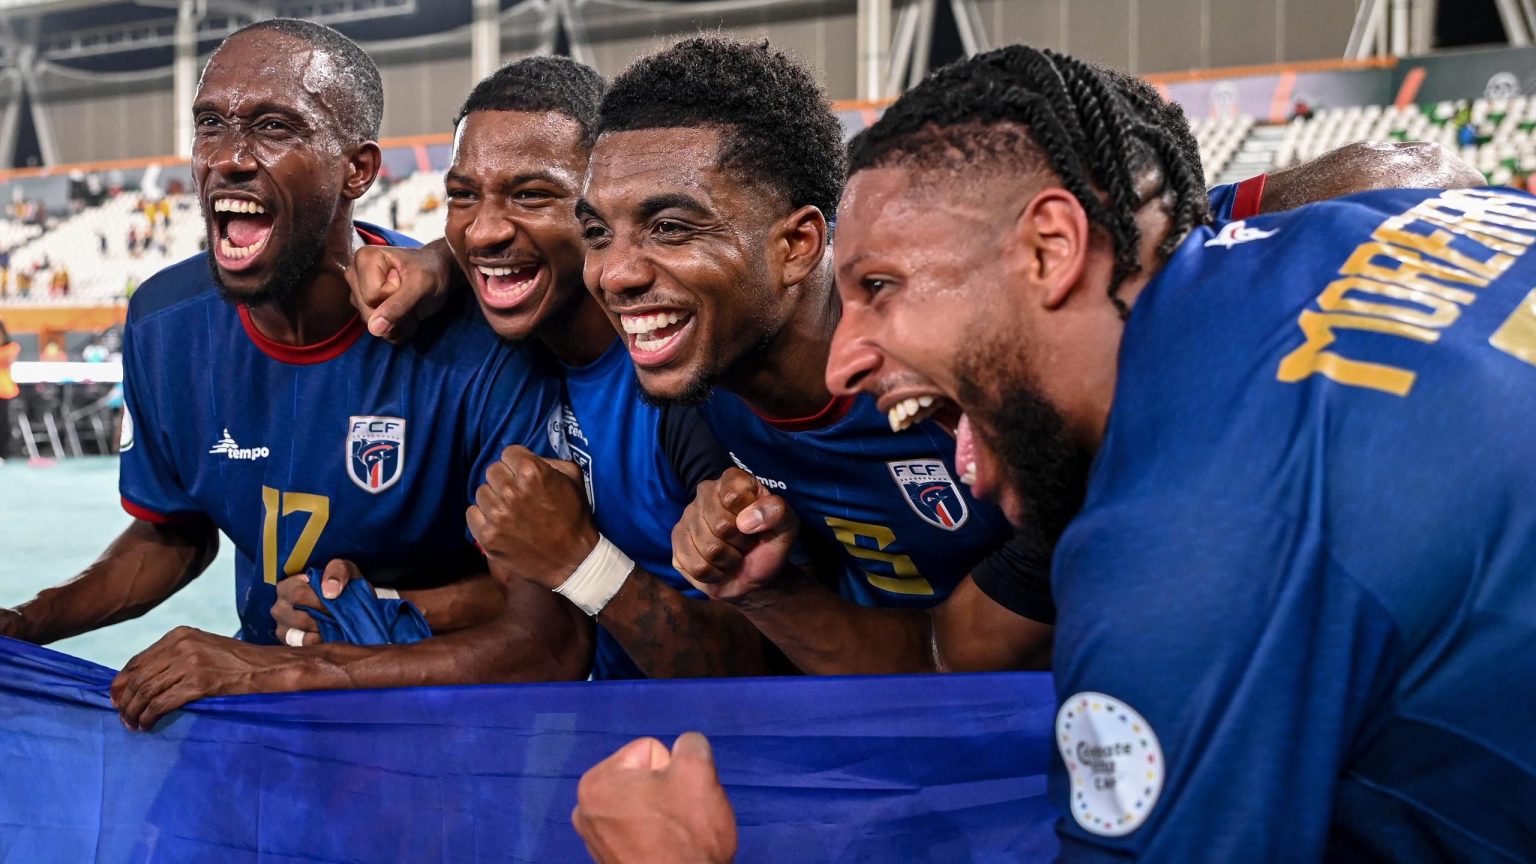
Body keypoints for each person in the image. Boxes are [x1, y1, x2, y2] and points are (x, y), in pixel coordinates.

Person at [580, 44, 1536, 861]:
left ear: (1049, 248)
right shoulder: (1339, 232)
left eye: (883, 287)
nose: (846, 357)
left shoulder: (1182, 551)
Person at [0, 19, 587, 733]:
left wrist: (351, 627)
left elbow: (547, 633)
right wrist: (25, 623)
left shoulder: (483, 340)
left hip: (441, 721)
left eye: (273, 127)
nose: (229, 157)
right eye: (210, 125)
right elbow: (173, 533)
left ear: (357, 171)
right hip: (257, 702)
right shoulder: (163, 321)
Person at [338, 57, 781, 679]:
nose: (484, 231)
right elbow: (527, 589)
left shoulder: (684, 381)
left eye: (531, 194)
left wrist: (582, 561)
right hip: (593, 723)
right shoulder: (500, 351)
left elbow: (763, 662)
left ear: (602, 204)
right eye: (463, 196)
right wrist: (371, 604)